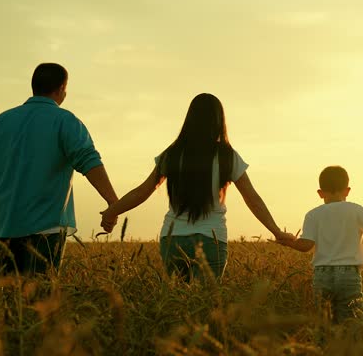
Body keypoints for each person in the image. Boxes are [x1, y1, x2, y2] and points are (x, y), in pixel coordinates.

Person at [0, 63, 119, 274]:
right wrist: (113, 202)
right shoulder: (66, 121)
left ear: (34, 86)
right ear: (61, 89)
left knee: (9, 293)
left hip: (4, 226)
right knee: (40, 292)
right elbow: (88, 160)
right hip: (46, 229)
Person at [100, 93, 293, 281]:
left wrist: (111, 212)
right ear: (219, 121)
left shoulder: (172, 154)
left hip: (173, 239)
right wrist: (276, 231)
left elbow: (142, 192)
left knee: (177, 299)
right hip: (211, 239)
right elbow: (252, 198)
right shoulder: (227, 156)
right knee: (204, 300)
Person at [278, 166, 363, 324]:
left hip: (322, 275)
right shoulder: (356, 210)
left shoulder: (312, 214)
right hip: (349, 275)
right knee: (350, 322)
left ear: (320, 193)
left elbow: (305, 246)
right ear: (347, 190)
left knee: (323, 323)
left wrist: (288, 242)